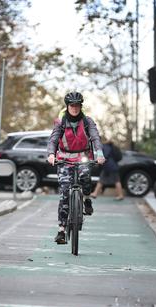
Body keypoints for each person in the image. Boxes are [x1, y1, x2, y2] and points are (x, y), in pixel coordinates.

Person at [47, 92, 105, 244]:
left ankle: (86, 199)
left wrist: (99, 154)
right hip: (64, 159)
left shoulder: (87, 121)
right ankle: (61, 230)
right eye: (72, 105)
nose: (74, 108)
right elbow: (53, 140)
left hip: (82, 156)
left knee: (85, 177)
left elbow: (95, 138)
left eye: (77, 105)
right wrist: (51, 155)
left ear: (81, 106)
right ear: (67, 106)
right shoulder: (60, 122)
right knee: (65, 192)